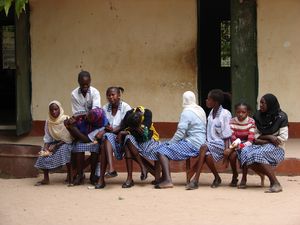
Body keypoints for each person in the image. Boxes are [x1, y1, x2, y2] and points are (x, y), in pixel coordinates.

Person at [154, 91, 206, 189]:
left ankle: (167, 180)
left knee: (161, 150)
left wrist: (170, 143)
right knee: (163, 147)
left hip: (192, 144)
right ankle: (165, 177)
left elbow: (180, 133)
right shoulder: (200, 110)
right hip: (201, 142)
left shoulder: (186, 112)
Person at [240, 93, 288, 193]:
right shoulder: (258, 115)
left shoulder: (281, 117)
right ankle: (247, 179)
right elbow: (255, 136)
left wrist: (262, 140)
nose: (260, 105)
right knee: (244, 151)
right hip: (260, 144)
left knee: (257, 154)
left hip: (277, 149)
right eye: (260, 103)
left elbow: (282, 138)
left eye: (263, 103)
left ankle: (275, 183)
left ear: (270, 104)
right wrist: (270, 137)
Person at [186, 89, 232, 190]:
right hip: (211, 144)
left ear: (215, 102)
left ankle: (195, 180)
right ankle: (217, 178)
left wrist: (227, 152)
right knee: (207, 156)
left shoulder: (225, 114)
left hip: (222, 144)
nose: (206, 101)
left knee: (203, 147)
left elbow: (228, 135)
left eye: (209, 99)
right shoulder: (211, 113)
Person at [94, 87, 131, 189]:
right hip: (109, 138)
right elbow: (103, 123)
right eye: (109, 95)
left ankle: (104, 176)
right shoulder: (105, 108)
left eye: (113, 95)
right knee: (105, 141)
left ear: (119, 95)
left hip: (122, 137)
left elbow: (124, 125)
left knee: (105, 140)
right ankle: (109, 171)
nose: (111, 97)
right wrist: (106, 128)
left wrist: (109, 130)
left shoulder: (125, 107)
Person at [65, 107, 108, 185]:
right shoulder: (81, 116)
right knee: (78, 147)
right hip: (80, 138)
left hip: (92, 139)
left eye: (89, 118)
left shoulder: (101, 124)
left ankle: (93, 175)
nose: (86, 118)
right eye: (88, 115)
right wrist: (69, 125)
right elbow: (72, 127)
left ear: (95, 120)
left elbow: (87, 139)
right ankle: (80, 175)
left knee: (95, 149)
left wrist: (73, 128)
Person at [120, 106, 160, 188]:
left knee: (158, 148)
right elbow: (124, 127)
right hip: (135, 142)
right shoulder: (129, 114)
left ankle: (157, 178)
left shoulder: (147, 113)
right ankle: (141, 168)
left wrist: (128, 131)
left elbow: (145, 130)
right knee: (128, 140)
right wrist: (130, 130)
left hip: (148, 140)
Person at [35, 101, 73, 185]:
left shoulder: (65, 119)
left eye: (56, 109)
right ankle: (46, 178)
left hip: (66, 142)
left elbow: (68, 137)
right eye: (51, 110)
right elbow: (47, 137)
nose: (54, 112)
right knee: (43, 153)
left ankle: (70, 175)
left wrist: (56, 145)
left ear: (60, 109)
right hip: (54, 142)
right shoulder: (48, 121)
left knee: (64, 150)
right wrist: (45, 148)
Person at [222, 102, 256, 187]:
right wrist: (234, 147)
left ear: (247, 112)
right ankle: (235, 175)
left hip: (247, 144)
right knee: (232, 156)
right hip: (235, 143)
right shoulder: (232, 122)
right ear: (235, 112)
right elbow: (233, 138)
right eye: (238, 112)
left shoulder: (251, 122)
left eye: (243, 112)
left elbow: (250, 140)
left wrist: (238, 147)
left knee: (244, 153)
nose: (240, 114)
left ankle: (244, 178)